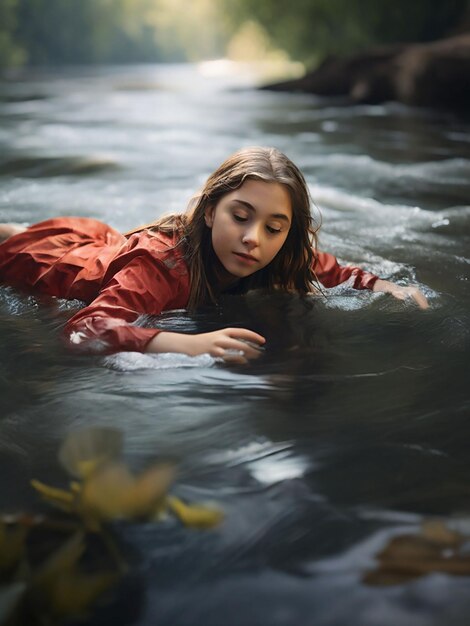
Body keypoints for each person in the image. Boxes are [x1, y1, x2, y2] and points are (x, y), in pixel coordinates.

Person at [0, 146, 428, 363]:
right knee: (17, 242)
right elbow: (84, 328)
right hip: (44, 262)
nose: (253, 239)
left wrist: (383, 285)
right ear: (209, 212)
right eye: (239, 217)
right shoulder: (163, 264)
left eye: (273, 228)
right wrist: (188, 344)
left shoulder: (279, 253)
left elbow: (332, 269)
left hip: (102, 243)